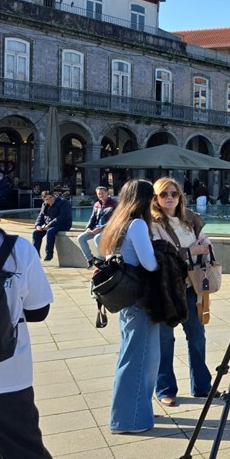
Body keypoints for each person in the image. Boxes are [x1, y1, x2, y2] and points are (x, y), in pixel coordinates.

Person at [0, 181, 56, 459]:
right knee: (24, 457)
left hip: (8, 374)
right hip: (6, 370)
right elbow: (38, 310)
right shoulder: (16, 249)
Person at [99, 179, 160, 434]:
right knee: (140, 358)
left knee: (133, 354)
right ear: (145, 199)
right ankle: (129, 420)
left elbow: (101, 251)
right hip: (140, 297)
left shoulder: (117, 222)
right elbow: (150, 264)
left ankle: (136, 411)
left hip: (125, 297)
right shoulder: (137, 224)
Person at [149, 177, 213, 407]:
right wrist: (190, 252)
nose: (169, 198)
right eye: (164, 194)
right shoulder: (153, 224)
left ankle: (202, 386)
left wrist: (200, 250)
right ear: (156, 198)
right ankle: (165, 389)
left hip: (191, 286)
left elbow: (205, 242)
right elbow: (160, 256)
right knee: (165, 340)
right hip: (165, 289)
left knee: (197, 336)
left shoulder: (190, 220)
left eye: (174, 194)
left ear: (180, 197)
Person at [78, 186, 117, 267]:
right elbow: (92, 218)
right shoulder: (97, 204)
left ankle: (102, 259)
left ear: (107, 193)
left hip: (108, 229)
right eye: (99, 194)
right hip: (96, 228)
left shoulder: (114, 204)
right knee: (81, 238)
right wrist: (88, 228)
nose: (100, 195)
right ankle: (90, 259)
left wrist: (101, 228)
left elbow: (115, 220)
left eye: (102, 193)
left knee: (97, 238)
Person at [32, 191, 72, 261]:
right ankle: (35, 255)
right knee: (36, 233)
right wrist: (38, 225)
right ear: (44, 200)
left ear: (53, 196)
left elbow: (62, 217)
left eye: (50, 197)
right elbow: (40, 216)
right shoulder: (44, 205)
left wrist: (49, 225)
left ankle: (49, 254)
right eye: (47, 199)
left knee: (50, 231)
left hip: (63, 224)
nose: (50, 200)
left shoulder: (63, 202)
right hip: (49, 225)